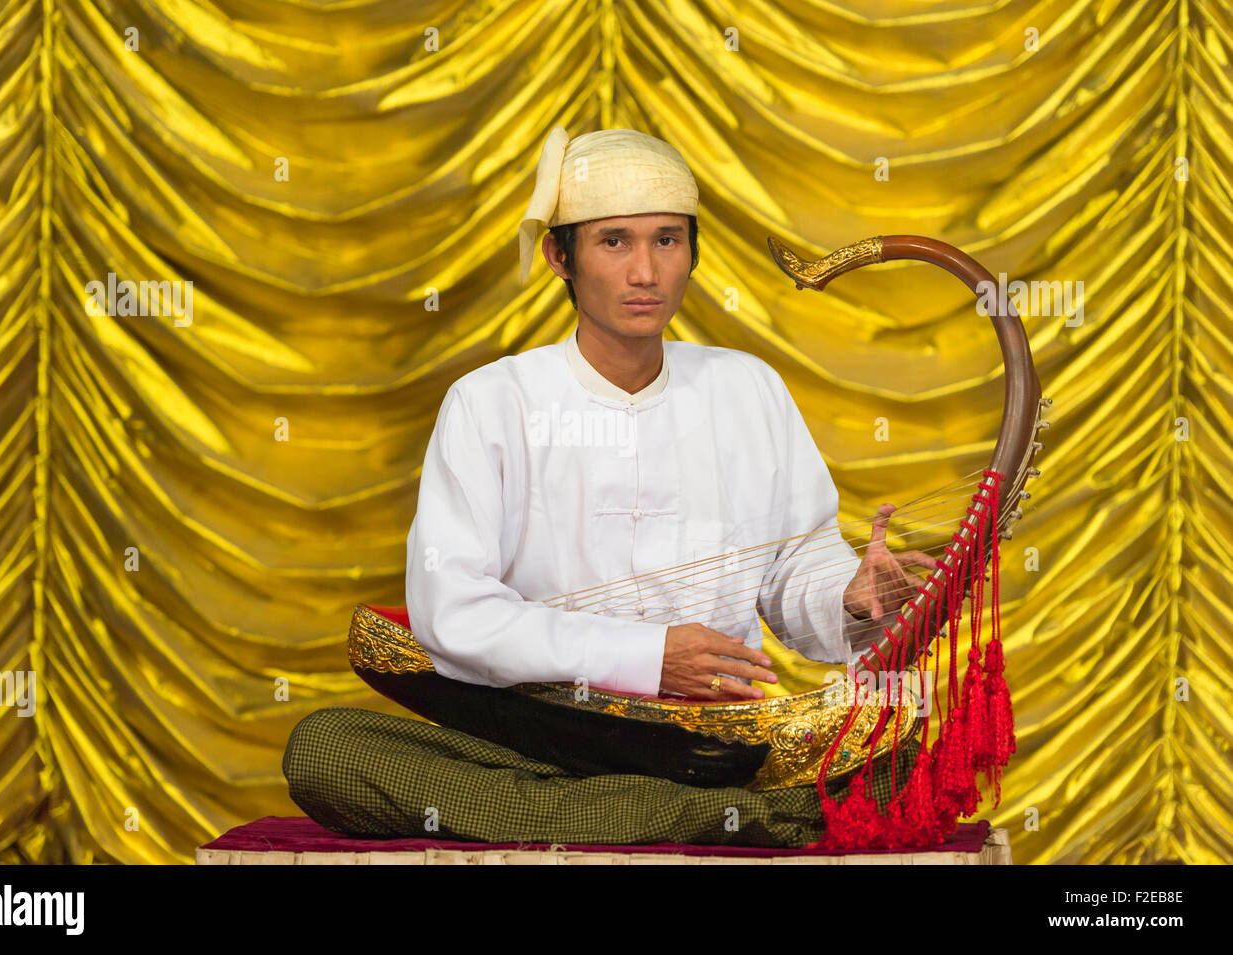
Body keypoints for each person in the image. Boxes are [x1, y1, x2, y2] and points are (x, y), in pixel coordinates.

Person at [283, 127, 930, 847]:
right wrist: (651, 657)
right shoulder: (491, 402)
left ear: (691, 252)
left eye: (668, 240)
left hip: (716, 747)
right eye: (614, 242)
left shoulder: (749, 388)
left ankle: (664, 812)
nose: (646, 271)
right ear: (562, 255)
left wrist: (848, 595)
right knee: (327, 748)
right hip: (540, 739)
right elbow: (453, 611)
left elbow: (795, 572)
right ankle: (736, 823)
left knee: (903, 741)